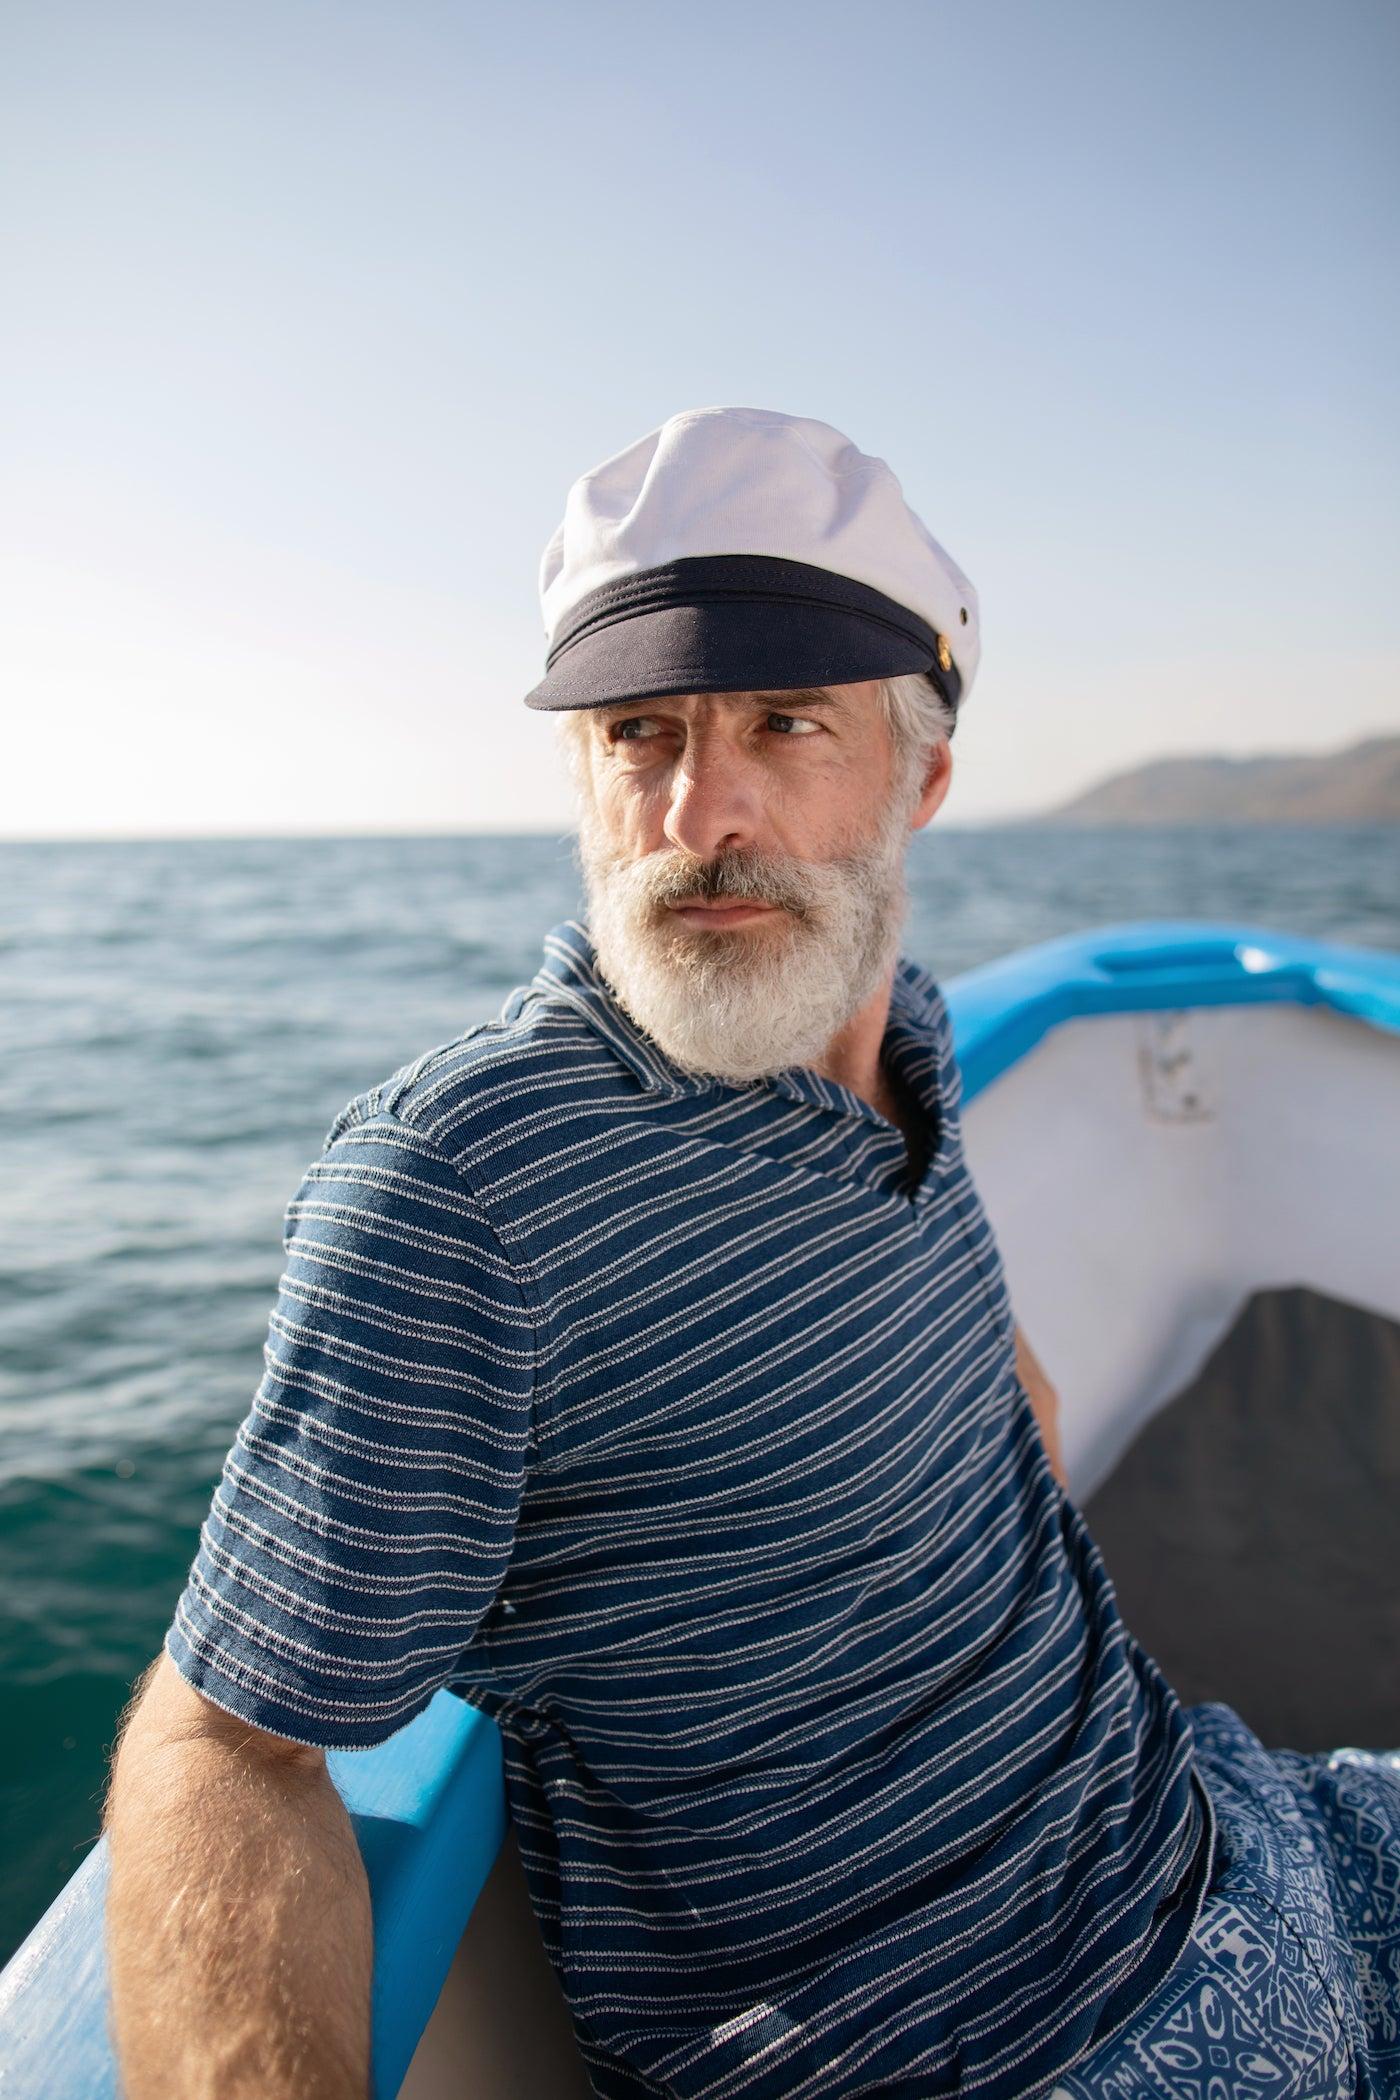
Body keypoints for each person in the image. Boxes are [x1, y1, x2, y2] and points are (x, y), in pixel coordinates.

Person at [103, 406, 1399, 2099]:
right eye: (640, 733)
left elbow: (986, 1392)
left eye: (786, 723)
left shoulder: (909, 1043)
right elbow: (228, 1744)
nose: (699, 810)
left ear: (922, 776)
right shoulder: (468, 1186)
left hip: (1229, 1822)